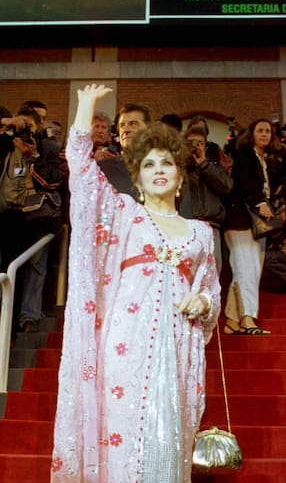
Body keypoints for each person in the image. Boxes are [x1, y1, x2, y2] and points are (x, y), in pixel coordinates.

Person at [51, 84, 220, 483]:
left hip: (178, 344)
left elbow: (210, 288)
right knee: (122, 431)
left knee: (168, 439)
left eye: (166, 163)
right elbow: (81, 167)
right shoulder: (124, 213)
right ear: (138, 177)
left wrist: (204, 303)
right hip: (125, 341)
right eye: (148, 164)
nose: (158, 169)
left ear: (180, 175)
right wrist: (86, 107)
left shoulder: (200, 232)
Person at [0, 107, 63, 334]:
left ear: (39, 127)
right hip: (8, 216)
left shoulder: (48, 148)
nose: (25, 131)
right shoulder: (5, 145)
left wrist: (33, 157)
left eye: (30, 126)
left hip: (36, 218)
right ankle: (6, 318)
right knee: (7, 267)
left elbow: (53, 181)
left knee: (35, 266)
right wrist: (6, 124)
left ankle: (28, 317)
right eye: (21, 125)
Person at [222, 118, 275, 335]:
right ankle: (247, 319)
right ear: (252, 133)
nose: (264, 134)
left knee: (251, 269)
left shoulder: (266, 159)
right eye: (260, 130)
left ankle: (233, 321)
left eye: (268, 131)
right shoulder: (244, 154)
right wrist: (260, 201)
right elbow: (243, 182)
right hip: (241, 219)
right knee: (246, 269)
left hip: (258, 222)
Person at [179, 125, 233, 275]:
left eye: (200, 143)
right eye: (191, 143)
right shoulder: (178, 165)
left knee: (213, 272)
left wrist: (204, 164)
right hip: (185, 225)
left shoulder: (212, 165)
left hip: (210, 224)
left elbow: (227, 186)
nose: (196, 147)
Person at [97, 101, 152, 198]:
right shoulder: (102, 169)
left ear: (149, 129)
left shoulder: (166, 167)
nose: (126, 130)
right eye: (122, 125)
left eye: (133, 124)